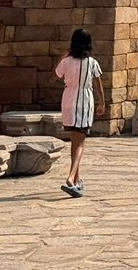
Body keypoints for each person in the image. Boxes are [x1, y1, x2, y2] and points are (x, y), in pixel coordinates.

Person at [55, 28, 105, 198]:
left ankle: (77, 180)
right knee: (81, 142)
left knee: (74, 142)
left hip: (68, 100)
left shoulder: (66, 62)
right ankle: (70, 178)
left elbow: (55, 75)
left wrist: (62, 57)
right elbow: (98, 85)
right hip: (84, 101)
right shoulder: (92, 62)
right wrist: (102, 102)